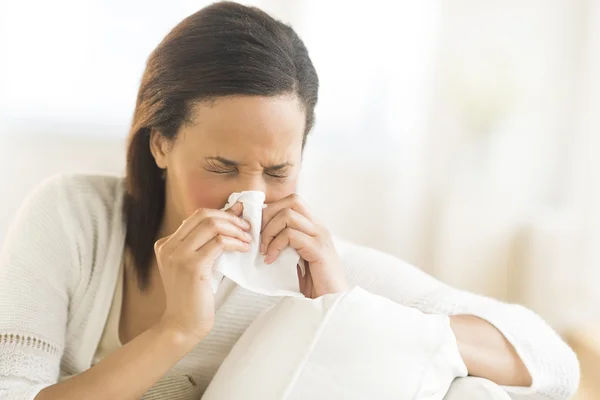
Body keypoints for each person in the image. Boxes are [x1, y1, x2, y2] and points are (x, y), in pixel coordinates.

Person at [0, 2, 579, 399]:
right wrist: (176, 330)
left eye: (278, 171)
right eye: (222, 167)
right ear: (160, 143)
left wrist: (347, 308)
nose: (250, 196)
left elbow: (553, 364)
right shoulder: (73, 220)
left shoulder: (298, 270)